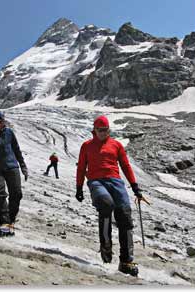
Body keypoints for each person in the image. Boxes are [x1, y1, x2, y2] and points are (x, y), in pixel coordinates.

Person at [75, 115, 145, 277]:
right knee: (106, 204)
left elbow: (126, 166)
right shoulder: (86, 146)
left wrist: (135, 187)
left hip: (116, 182)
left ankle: (126, 261)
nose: (103, 133)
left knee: (125, 215)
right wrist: (79, 187)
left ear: (109, 130)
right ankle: (106, 245)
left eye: (106, 130)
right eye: (100, 130)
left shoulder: (116, 145)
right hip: (96, 182)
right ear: (95, 130)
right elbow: (81, 168)